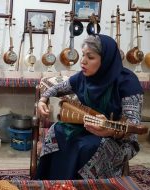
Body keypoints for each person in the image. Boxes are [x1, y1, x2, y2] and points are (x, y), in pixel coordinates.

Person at [36, 34, 143, 180]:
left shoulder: (127, 82)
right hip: (88, 127)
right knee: (57, 131)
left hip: (118, 138)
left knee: (88, 147)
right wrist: (42, 100)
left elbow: (133, 126)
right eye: (83, 55)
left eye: (90, 57)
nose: (83, 62)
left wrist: (109, 131)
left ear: (105, 59)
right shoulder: (83, 77)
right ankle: (55, 182)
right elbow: (56, 89)